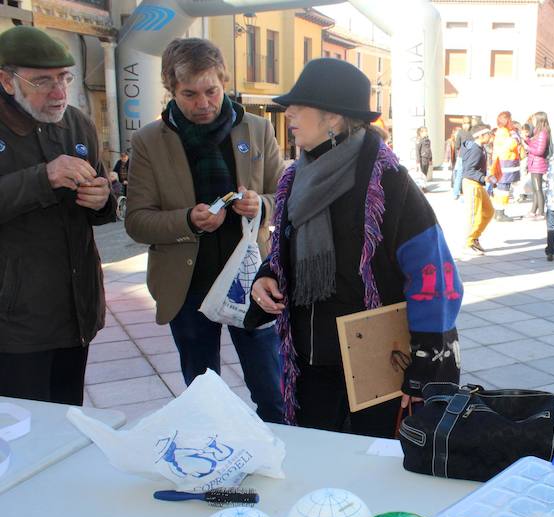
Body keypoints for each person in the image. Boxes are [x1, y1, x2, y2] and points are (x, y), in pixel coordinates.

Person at [248, 58, 462, 436]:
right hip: (310, 364)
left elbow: (435, 276)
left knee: (373, 460)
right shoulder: (295, 178)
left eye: (300, 105)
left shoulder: (388, 182)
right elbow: (288, 248)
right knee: (317, 458)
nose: (289, 112)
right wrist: (267, 275)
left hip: (376, 364)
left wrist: (425, 366)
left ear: (333, 117)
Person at [125, 38, 285, 423]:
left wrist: (261, 205)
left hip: (252, 280)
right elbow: (137, 221)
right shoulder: (148, 141)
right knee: (203, 400)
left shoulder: (257, 129)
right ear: (171, 89)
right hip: (188, 287)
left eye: (211, 91)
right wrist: (187, 221)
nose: (203, 103)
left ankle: (281, 450)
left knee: (273, 392)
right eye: (189, 94)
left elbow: (285, 196)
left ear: (224, 81)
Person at [0, 27, 115, 405]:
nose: (59, 92)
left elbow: (101, 195)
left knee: (69, 420)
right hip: (14, 323)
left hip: (75, 312)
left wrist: (102, 199)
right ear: (6, 80)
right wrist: (43, 177)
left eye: (64, 78)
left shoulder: (78, 123)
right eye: (42, 81)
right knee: (22, 430)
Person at [461, 123, 496, 254]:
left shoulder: (480, 147)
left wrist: (485, 177)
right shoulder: (475, 149)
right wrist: (483, 178)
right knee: (474, 215)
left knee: (489, 211)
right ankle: (469, 244)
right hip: (472, 184)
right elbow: (468, 171)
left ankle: (474, 238)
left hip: (478, 183)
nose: (490, 136)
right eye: (488, 134)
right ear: (481, 136)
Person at [490, 111, 522, 222]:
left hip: (502, 162)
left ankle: (498, 212)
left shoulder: (501, 131)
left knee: (501, 188)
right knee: (503, 189)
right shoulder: (504, 131)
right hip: (505, 163)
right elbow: (511, 145)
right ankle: (500, 213)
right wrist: (515, 135)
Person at [526, 111, 551, 218]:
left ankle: (541, 212)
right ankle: (533, 210)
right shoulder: (538, 132)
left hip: (538, 164)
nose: (533, 120)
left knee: (538, 189)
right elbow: (534, 145)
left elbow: (540, 151)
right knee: (535, 189)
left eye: (535, 119)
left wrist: (527, 148)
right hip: (534, 163)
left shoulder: (542, 133)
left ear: (540, 120)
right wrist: (526, 140)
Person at [452, 117, 473, 201]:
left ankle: (456, 193)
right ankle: (462, 193)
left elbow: (457, 146)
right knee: (465, 176)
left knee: (460, 176)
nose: (466, 125)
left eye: (467, 123)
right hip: (469, 157)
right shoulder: (472, 132)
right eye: (465, 123)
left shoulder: (461, 132)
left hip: (464, 156)